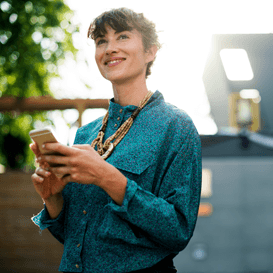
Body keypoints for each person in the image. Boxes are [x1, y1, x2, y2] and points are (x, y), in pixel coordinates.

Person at [31, 7, 202, 273]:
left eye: (122, 36)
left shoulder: (176, 126)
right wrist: (53, 199)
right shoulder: (84, 134)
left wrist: (106, 176)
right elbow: (73, 239)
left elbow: (178, 230)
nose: (110, 48)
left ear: (150, 51)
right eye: (102, 41)